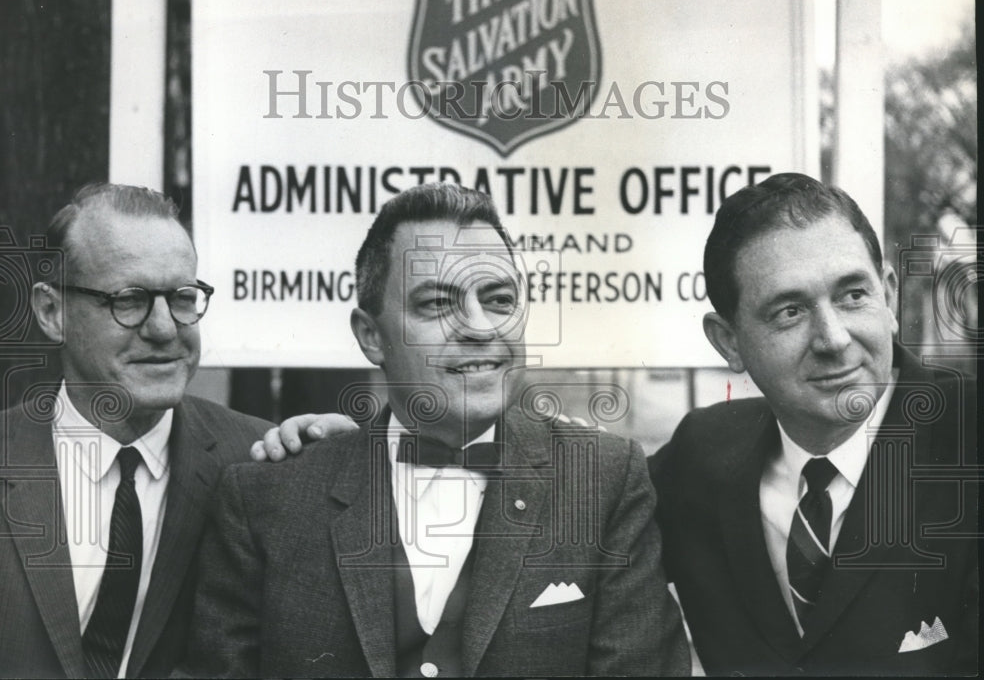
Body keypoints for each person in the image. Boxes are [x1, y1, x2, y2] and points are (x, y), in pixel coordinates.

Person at [184, 183, 690, 677]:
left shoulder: (603, 481)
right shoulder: (266, 497)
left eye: (498, 299)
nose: (480, 326)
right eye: (437, 304)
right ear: (370, 336)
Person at [650, 172, 978, 675]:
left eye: (852, 295)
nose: (834, 338)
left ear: (889, 297)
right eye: (790, 311)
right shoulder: (700, 454)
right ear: (728, 342)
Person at [0, 184, 270, 678]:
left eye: (182, 297)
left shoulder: (259, 463)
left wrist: (337, 456)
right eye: (129, 299)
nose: (165, 328)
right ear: (53, 313)